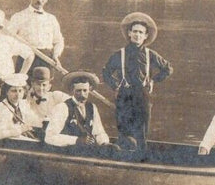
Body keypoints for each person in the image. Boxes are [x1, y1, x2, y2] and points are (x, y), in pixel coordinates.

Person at [101, 12, 172, 150]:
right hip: (124, 95)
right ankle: (122, 159)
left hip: (143, 95)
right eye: (134, 31)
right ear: (129, 33)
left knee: (141, 131)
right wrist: (115, 86)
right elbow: (106, 72)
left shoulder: (150, 55)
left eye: (141, 32)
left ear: (145, 36)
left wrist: (153, 80)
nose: (137, 35)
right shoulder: (119, 54)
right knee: (124, 131)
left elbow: (167, 69)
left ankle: (140, 158)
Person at [5, 0, 65, 73]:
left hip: (46, 60)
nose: (40, 0)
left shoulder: (51, 19)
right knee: (22, 85)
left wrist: (56, 55)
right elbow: (8, 40)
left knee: (44, 87)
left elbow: (59, 41)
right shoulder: (19, 16)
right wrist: (22, 50)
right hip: (26, 58)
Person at [45, 71, 111, 148]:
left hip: (87, 152)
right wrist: (77, 140)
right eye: (78, 91)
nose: (82, 95)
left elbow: (99, 132)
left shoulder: (92, 107)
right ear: (72, 90)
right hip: (67, 153)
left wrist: (104, 143)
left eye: (85, 90)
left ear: (89, 89)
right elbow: (50, 137)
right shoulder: (62, 107)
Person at [0, 73, 43, 140]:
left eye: (20, 91)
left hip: (18, 138)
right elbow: (0, 134)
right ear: (7, 92)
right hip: (0, 141)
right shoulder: (0, 109)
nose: (17, 94)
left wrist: (42, 122)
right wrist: (20, 130)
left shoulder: (23, 104)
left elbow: (33, 120)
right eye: (13, 91)